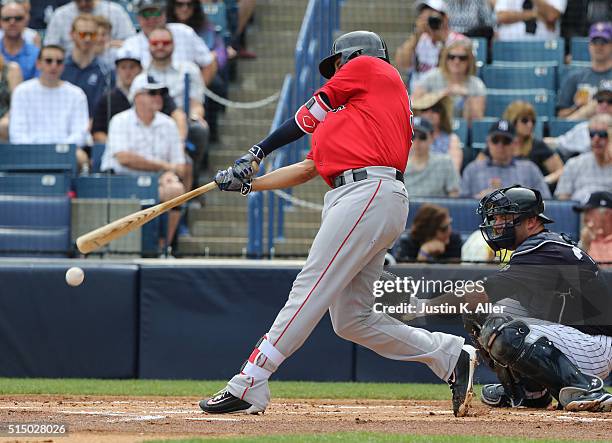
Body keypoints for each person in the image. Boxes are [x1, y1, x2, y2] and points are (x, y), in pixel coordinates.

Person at [198, 31, 477, 418]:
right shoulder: (357, 114)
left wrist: (257, 151)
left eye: (338, 65)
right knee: (352, 319)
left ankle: (250, 381)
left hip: (368, 192)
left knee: (309, 289)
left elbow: (304, 116)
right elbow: (310, 167)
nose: (336, 74)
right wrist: (249, 184)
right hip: (362, 197)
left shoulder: (371, 68)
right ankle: (449, 355)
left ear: (357, 56)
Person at [407, 186, 612, 412]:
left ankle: (586, 388)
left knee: (503, 330)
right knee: (481, 315)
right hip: (572, 337)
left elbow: (478, 293)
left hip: (593, 346)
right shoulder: (539, 245)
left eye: (506, 218)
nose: (497, 224)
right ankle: (530, 392)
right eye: (496, 218)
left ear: (531, 221)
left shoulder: (543, 249)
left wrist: (422, 307)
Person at [100, 75, 188, 249]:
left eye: (161, 93)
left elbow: (180, 167)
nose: (158, 97)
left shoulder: (169, 124)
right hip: (120, 181)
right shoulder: (120, 120)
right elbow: (124, 158)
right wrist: (165, 167)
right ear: (137, 96)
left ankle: (162, 249)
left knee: (176, 189)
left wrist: (169, 174)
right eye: (152, 92)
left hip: (155, 183)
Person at [136, 26, 208, 186]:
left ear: (174, 44)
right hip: (148, 121)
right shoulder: (140, 72)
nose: (160, 46)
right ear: (148, 45)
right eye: (155, 43)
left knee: (199, 129)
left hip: (180, 121)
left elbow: (197, 104)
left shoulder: (189, 69)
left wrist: (195, 116)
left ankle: (191, 188)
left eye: (165, 42)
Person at [9, 44, 89, 168]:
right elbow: (17, 133)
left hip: (64, 152)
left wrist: (58, 151)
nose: (54, 66)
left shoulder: (76, 94)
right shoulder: (22, 91)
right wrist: (39, 152)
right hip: (29, 151)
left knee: (81, 157)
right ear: (38, 64)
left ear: (63, 66)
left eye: (59, 62)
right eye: (48, 61)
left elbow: (80, 133)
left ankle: (71, 188)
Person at [121, 0, 217, 86]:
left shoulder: (184, 32)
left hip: (185, 96)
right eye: (146, 15)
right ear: (138, 18)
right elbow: (124, 80)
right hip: (148, 99)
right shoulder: (130, 45)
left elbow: (209, 62)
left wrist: (198, 91)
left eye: (156, 13)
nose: (152, 19)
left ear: (164, 14)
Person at [460, 120, 551, 199]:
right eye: (495, 140)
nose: (500, 145)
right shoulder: (472, 170)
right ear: (488, 142)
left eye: (506, 141)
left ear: (515, 144)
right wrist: (479, 199)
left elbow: (545, 203)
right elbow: (461, 208)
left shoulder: (530, 170)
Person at [394, 0, 465, 91]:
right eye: (423, 15)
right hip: (419, 97)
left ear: (445, 18)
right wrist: (416, 35)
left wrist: (441, 38)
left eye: (432, 16)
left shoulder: (459, 40)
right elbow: (402, 64)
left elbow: (461, 73)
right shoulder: (418, 40)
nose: (428, 20)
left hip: (446, 95)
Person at [413, 38, 486, 122]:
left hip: (461, 129)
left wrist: (467, 96)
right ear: (445, 59)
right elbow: (414, 103)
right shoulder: (431, 77)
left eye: (462, 58)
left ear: (469, 61)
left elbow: (477, 121)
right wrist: (443, 93)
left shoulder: (477, 85)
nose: (456, 61)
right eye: (451, 57)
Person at [557, 22, 612, 119]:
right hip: (582, 127)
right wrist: (577, 107)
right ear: (589, 45)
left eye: (604, 42)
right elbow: (561, 116)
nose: (599, 46)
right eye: (595, 42)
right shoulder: (574, 77)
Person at [502, 100, 563, 186]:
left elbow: (561, 170)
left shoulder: (538, 145)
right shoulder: (498, 144)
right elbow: (480, 166)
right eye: (525, 120)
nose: (530, 125)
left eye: (533, 121)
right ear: (512, 121)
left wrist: (543, 182)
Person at [61, 13, 110, 117]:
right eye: (82, 34)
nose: (87, 39)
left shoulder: (106, 71)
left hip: (93, 127)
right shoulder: (59, 67)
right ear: (72, 34)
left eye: (92, 34)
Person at [555, 114, 612, 202]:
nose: (596, 139)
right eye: (592, 134)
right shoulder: (574, 164)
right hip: (581, 213)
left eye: (602, 134)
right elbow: (562, 200)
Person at [44, 0, 135, 53]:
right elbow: (49, 48)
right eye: (79, 0)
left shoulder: (114, 11)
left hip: (109, 66)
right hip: (71, 67)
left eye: (87, 0)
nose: (83, 3)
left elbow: (132, 44)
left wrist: (107, 45)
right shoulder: (60, 15)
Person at [545, 86, 612, 156]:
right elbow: (558, 143)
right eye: (600, 101)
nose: (604, 105)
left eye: (610, 101)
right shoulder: (582, 128)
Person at [404, 116, 460, 197]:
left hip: (436, 209)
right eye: (413, 136)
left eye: (422, 137)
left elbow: (454, 195)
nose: (417, 141)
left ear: (432, 137)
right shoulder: (401, 167)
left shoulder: (445, 163)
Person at [411, 91, 463, 171]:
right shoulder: (410, 137)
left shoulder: (452, 139)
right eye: (425, 109)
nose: (430, 113)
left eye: (436, 109)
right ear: (419, 113)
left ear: (442, 114)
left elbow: (454, 170)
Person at [395, 204, 462, 263]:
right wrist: (424, 252)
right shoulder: (408, 243)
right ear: (428, 232)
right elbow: (406, 275)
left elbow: (453, 274)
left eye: (449, 224)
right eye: (444, 229)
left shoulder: (454, 240)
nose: (449, 230)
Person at [0, 0, 38, 80]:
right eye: (7, 19)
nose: (12, 22)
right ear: (1, 22)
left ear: (26, 20)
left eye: (18, 18)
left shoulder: (36, 54)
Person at [495, 0, 567, 41]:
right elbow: (501, 16)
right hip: (510, 46)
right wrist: (534, 14)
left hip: (543, 47)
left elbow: (551, 16)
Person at [574, 191, 612, 264]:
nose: (585, 219)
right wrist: (584, 245)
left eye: (589, 212)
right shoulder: (587, 238)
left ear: (607, 214)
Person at [0, 51, 21, 140]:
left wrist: (7, 117)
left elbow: (17, 103)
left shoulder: (11, 69)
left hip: (7, 117)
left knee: (4, 126)